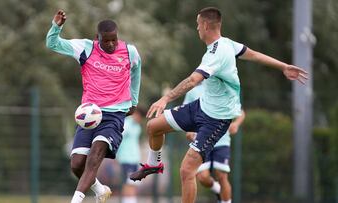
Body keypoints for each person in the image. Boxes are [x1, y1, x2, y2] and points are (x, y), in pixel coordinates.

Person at [129, 7, 308, 203]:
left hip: (216, 120)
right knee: (153, 127)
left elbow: (193, 80)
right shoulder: (228, 44)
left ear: (205, 25)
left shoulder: (216, 53)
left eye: (198, 25)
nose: (197, 29)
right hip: (201, 106)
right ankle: (154, 164)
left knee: (187, 170)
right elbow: (255, 55)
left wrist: (165, 99)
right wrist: (283, 66)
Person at [46, 10, 141, 203]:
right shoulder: (86, 48)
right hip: (89, 115)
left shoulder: (130, 51)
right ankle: (100, 190)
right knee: (77, 164)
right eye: (107, 41)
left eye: (114, 40)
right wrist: (56, 26)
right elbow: (52, 44)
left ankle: (76, 200)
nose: (112, 44)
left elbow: (137, 69)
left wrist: (134, 100)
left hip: (114, 116)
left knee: (96, 154)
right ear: (97, 38)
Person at [183, 84, 245, 203]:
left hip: (222, 141)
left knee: (222, 176)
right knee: (202, 177)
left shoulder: (225, 89)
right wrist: (189, 131)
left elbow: (241, 112)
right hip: (201, 141)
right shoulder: (193, 92)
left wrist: (236, 124)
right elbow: (187, 113)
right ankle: (216, 189)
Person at [116, 109, 143, 203]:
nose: (140, 119)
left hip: (135, 159)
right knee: (128, 183)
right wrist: (116, 156)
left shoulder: (138, 127)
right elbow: (118, 139)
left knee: (133, 183)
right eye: (140, 116)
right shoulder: (126, 124)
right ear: (136, 114)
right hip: (126, 159)